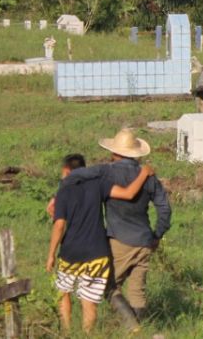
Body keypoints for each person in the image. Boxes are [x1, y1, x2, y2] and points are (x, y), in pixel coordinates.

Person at [67, 128, 172, 321]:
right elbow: (164, 209)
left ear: (115, 152)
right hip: (145, 241)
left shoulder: (105, 171)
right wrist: (157, 235)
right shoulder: (149, 176)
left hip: (120, 240)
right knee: (137, 291)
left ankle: (132, 327)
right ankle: (139, 329)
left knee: (106, 285)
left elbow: (77, 176)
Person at [45, 153, 153, 334]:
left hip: (70, 253)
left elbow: (60, 225)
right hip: (97, 254)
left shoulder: (64, 190)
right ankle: (87, 335)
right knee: (89, 302)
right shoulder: (98, 184)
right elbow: (129, 193)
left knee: (63, 293)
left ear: (66, 170)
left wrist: (51, 255)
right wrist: (143, 173)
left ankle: (66, 332)